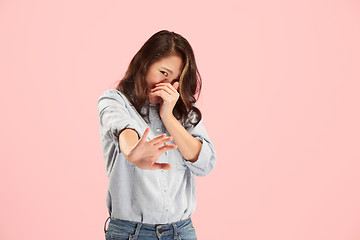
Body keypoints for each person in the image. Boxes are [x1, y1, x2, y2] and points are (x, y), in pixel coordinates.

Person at [97, 30, 216, 240]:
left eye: (176, 80)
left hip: (182, 231)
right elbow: (124, 131)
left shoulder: (184, 111)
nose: (167, 86)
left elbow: (205, 163)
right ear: (144, 62)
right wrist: (134, 153)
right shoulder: (115, 101)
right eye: (163, 73)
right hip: (131, 234)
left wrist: (168, 117)